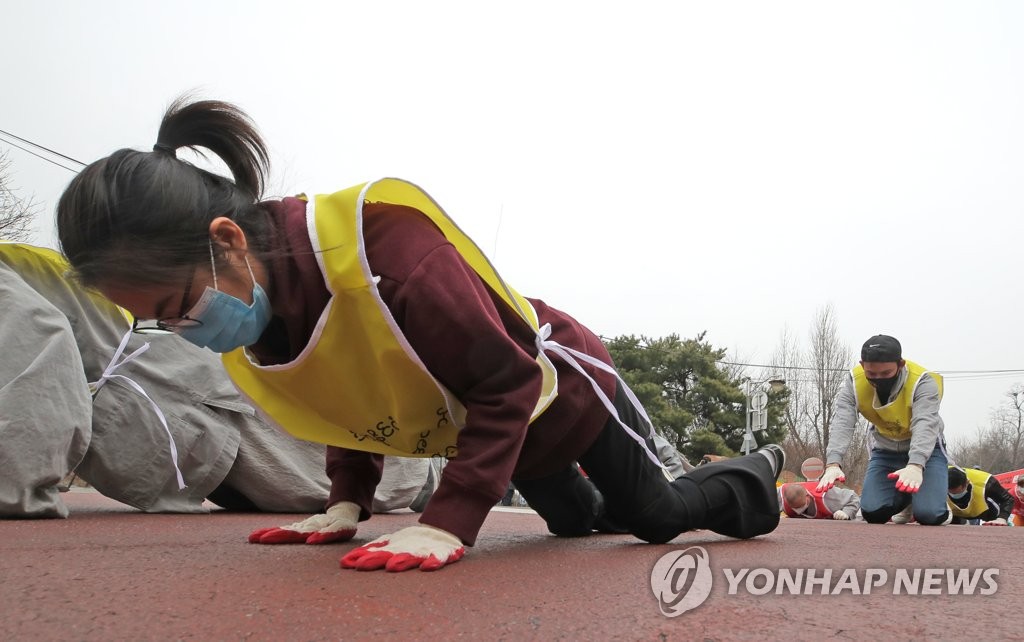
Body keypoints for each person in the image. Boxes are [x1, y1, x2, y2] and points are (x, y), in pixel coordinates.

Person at [54, 96, 785, 573]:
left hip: (556, 386)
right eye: (156, 320)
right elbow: (350, 393)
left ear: (227, 241)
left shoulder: (391, 260)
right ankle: (606, 502)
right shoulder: (267, 313)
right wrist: (347, 502)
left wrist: (451, 522)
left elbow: (510, 381)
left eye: (177, 304)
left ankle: (755, 476)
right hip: (497, 429)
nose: (183, 330)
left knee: (652, 521)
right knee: (572, 529)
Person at [0, 241, 434, 519]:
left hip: (189, 403)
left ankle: (453, 467)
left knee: (386, 472)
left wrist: (13, 484)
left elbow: (39, 349)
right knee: (354, 466)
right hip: (180, 404)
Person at [817, 335, 951, 525]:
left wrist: (916, 465)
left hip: (927, 451)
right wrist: (833, 463)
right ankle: (907, 501)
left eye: (886, 373)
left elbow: (925, 424)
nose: (878, 379)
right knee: (872, 513)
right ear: (862, 365)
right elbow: (843, 422)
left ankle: (936, 500)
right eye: (872, 374)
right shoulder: (853, 382)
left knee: (929, 515)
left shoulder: (923, 382)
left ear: (901, 364)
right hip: (885, 450)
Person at [946, 466, 1012, 526]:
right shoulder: (938, 478)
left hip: (985, 511)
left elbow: (1008, 499)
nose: (954, 495)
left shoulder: (988, 483)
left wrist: (1002, 518)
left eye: (956, 492)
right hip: (953, 513)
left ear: (967, 482)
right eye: (950, 492)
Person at [778, 482, 860, 520]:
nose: (798, 512)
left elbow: (854, 497)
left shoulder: (827, 495)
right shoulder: (780, 494)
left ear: (807, 497)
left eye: (800, 507)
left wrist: (847, 512)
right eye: (794, 508)